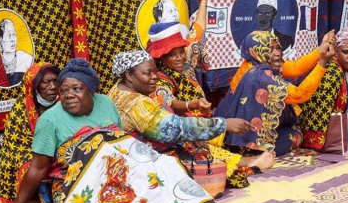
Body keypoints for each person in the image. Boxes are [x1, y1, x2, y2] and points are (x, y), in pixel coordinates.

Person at [0, 59, 212, 203]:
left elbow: (120, 143)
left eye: (77, 89)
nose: (69, 95)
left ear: (91, 90)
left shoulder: (106, 103)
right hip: (78, 183)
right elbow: (37, 168)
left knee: (162, 178)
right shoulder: (49, 121)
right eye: (64, 90)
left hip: (120, 171)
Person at [147, 0, 275, 188]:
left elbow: (198, 29)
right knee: (196, 144)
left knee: (237, 124)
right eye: (173, 55)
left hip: (207, 119)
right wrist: (192, 104)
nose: (180, 58)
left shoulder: (186, 57)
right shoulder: (158, 80)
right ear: (162, 58)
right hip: (183, 129)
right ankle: (242, 164)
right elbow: (168, 101)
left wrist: (204, 1)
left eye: (181, 52)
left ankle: (244, 156)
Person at [108, 51, 272, 187]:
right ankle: (240, 165)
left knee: (196, 141)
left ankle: (240, 161)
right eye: (147, 73)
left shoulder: (118, 89)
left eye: (154, 71)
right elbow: (172, 128)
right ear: (129, 75)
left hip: (140, 150)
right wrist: (224, 124)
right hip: (146, 162)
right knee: (198, 154)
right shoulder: (136, 103)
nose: (155, 77)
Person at [215, 30, 336, 156]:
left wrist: (321, 49)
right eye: (270, 49)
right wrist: (323, 62)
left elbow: (296, 67)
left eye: (278, 48)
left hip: (240, 129)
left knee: (293, 130)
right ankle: (250, 151)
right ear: (255, 51)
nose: (277, 53)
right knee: (296, 135)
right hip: (235, 134)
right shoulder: (261, 76)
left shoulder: (258, 62)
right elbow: (300, 95)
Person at [0, 63, 60, 203]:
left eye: (55, 81)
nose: (52, 86)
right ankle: (34, 195)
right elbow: (16, 145)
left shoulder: (62, 104)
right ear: (34, 85)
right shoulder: (21, 108)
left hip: (57, 150)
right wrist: (43, 154)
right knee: (31, 166)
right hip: (30, 153)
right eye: (46, 82)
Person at [299, 31, 348, 150]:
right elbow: (318, 109)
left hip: (338, 122)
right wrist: (313, 145)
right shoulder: (332, 72)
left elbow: (338, 100)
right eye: (346, 52)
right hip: (325, 130)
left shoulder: (344, 70)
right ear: (335, 52)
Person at [0, 18, 34, 87]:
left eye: (14, 34)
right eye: (9, 35)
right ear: (1, 39)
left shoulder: (26, 59)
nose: (12, 39)